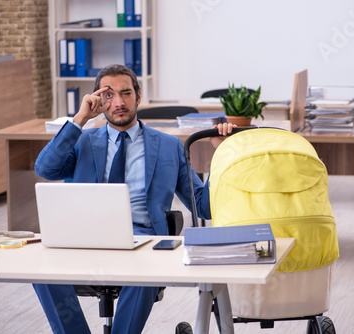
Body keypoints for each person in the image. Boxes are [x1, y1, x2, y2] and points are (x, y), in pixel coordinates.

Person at [32, 64, 235, 333]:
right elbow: (45, 169)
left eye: (126, 93)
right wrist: (80, 119)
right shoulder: (81, 141)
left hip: (143, 239)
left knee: (144, 273)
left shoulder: (168, 146)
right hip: (84, 238)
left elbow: (204, 206)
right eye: (108, 95)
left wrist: (220, 155)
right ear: (97, 101)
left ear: (138, 96)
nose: (118, 102)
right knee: (40, 271)